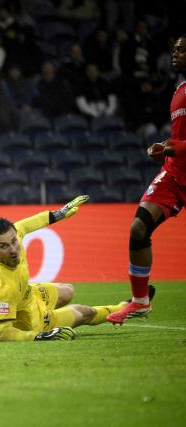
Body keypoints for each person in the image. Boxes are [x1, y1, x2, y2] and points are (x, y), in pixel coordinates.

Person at [107, 35, 186, 324]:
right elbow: (179, 138)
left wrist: (169, 147)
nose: (175, 52)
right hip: (175, 174)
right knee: (139, 228)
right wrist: (164, 145)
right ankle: (140, 301)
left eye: (182, 49)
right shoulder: (180, 90)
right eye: (174, 48)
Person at [0, 195, 128, 341]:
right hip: (31, 321)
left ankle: (56, 315)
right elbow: (2, 333)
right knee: (85, 312)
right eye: (4, 246)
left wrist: (60, 213)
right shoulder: (2, 289)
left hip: (30, 294)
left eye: (14, 241)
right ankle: (124, 309)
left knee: (68, 290)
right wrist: (40, 336)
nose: (13, 249)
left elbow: (26, 225)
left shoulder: (13, 235)